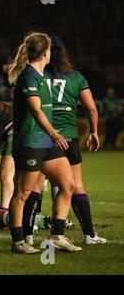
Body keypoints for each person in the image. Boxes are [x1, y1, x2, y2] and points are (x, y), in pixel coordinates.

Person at [23, 36, 107, 245]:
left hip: (44, 135)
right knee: (75, 185)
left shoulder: (39, 76)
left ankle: (28, 236)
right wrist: (93, 131)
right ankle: (89, 235)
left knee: (35, 186)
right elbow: (91, 108)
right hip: (68, 137)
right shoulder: (76, 77)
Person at [7, 32, 82, 254]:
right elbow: (36, 110)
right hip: (30, 142)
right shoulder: (28, 76)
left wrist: (52, 135)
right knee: (23, 193)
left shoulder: (42, 76)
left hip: (47, 143)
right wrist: (55, 133)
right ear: (45, 52)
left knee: (68, 185)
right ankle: (18, 241)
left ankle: (57, 236)